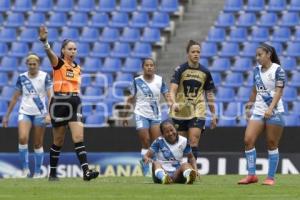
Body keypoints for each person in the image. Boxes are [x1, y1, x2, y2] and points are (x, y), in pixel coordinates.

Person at [39, 25, 99, 181]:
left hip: (74, 102)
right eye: (70, 49)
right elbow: (49, 53)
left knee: (78, 137)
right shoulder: (58, 64)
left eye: (75, 49)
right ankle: (52, 174)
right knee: (58, 140)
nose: (73, 51)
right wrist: (45, 43)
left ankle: (86, 172)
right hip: (60, 102)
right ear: (63, 51)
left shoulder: (78, 67)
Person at [238, 43, 286, 186]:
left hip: (275, 111)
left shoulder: (278, 70)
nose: (257, 58)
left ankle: (270, 177)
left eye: (260, 55)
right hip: (258, 110)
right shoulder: (256, 71)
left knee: (271, 143)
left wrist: (271, 108)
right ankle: (251, 175)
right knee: (248, 140)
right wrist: (250, 103)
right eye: (256, 55)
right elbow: (255, 90)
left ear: (268, 54)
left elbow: (279, 92)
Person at [2, 53, 52, 178]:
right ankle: (25, 169)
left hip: (40, 113)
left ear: (38, 64)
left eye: (34, 64)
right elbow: (14, 98)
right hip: (24, 111)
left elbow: (51, 96)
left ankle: (37, 172)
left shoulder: (45, 76)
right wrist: (7, 116)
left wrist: (50, 114)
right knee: (23, 138)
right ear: (26, 65)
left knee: (37, 144)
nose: (32, 66)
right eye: (30, 64)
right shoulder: (22, 77)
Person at [169, 40, 217, 164]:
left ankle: (193, 171)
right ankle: (177, 171)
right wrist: (173, 103)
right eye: (193, 52)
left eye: (198, 52)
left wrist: (213, 114)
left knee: (193, 141)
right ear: (188, 54)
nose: (196, 54)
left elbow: (209, 93)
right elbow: (172, 90)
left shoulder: (205, 72)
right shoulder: (180, 70)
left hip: (198, 110)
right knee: (180, 144)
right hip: (181, 111)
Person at [123, 58, 173, 176]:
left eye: (151, 65)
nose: (149, 67)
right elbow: (130, 99)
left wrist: (171, 104)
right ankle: (146, 168)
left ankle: (156, 170)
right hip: (141, 114)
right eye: (147, 65)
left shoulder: (159, 80)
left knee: (155, 144)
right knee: (145, 140)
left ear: (154, 67)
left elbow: (166, 94)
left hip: (155, 115)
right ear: (143, 67)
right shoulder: (137, 81)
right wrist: (125, 116)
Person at [143, 119, 197, 184]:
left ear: (175, 129)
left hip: (177, 174)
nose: (170, 133)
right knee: (155, 163)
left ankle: (189, 176)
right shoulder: (158, 142)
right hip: (161, 171)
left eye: (172, 130)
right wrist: (147, 159)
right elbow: (146, 156)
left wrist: (195, 170)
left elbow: (191, 158)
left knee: (186, 164)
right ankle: (163, 177)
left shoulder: (184, 141)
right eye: (167, 132)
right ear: (163, 134)